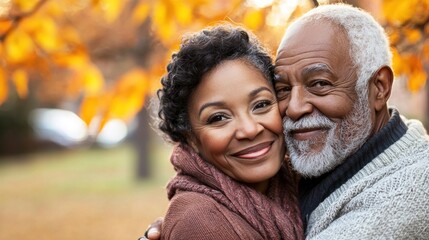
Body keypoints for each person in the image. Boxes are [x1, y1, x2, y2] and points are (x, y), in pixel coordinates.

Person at [142, 3, 429, 239]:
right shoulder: (205, 219)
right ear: (189, 137)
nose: (294, 107)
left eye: (319, 84)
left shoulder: (402, 196)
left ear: (378, 87)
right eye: (284, 89)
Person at [149, 24, 303, 240]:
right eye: (218, 118)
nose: (249, 130)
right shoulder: (200, 223)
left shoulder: (301, 181)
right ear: (190, 138)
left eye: (260, 105)